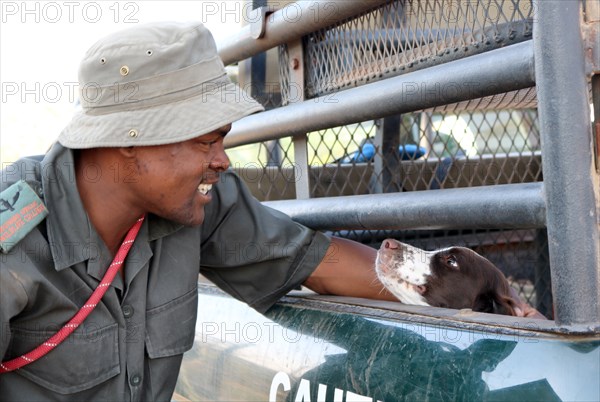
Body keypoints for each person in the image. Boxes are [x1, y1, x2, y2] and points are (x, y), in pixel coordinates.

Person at [0, 21, 541, 401]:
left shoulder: (198, 204)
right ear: (129, 141)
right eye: (205, 141)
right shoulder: (14, 241)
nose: (222, 160)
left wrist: (498, 311)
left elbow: (323, 264)